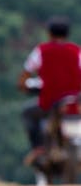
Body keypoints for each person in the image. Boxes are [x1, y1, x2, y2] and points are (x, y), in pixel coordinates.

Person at [18, 15, 81, 166]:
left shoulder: (41, 51)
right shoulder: (77, 51)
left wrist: (24, 86)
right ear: (67, 34)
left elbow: (25, 76)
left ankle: (38, 148)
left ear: (49, 34)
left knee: (27, 112)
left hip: (50, 103)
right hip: (75, 103)